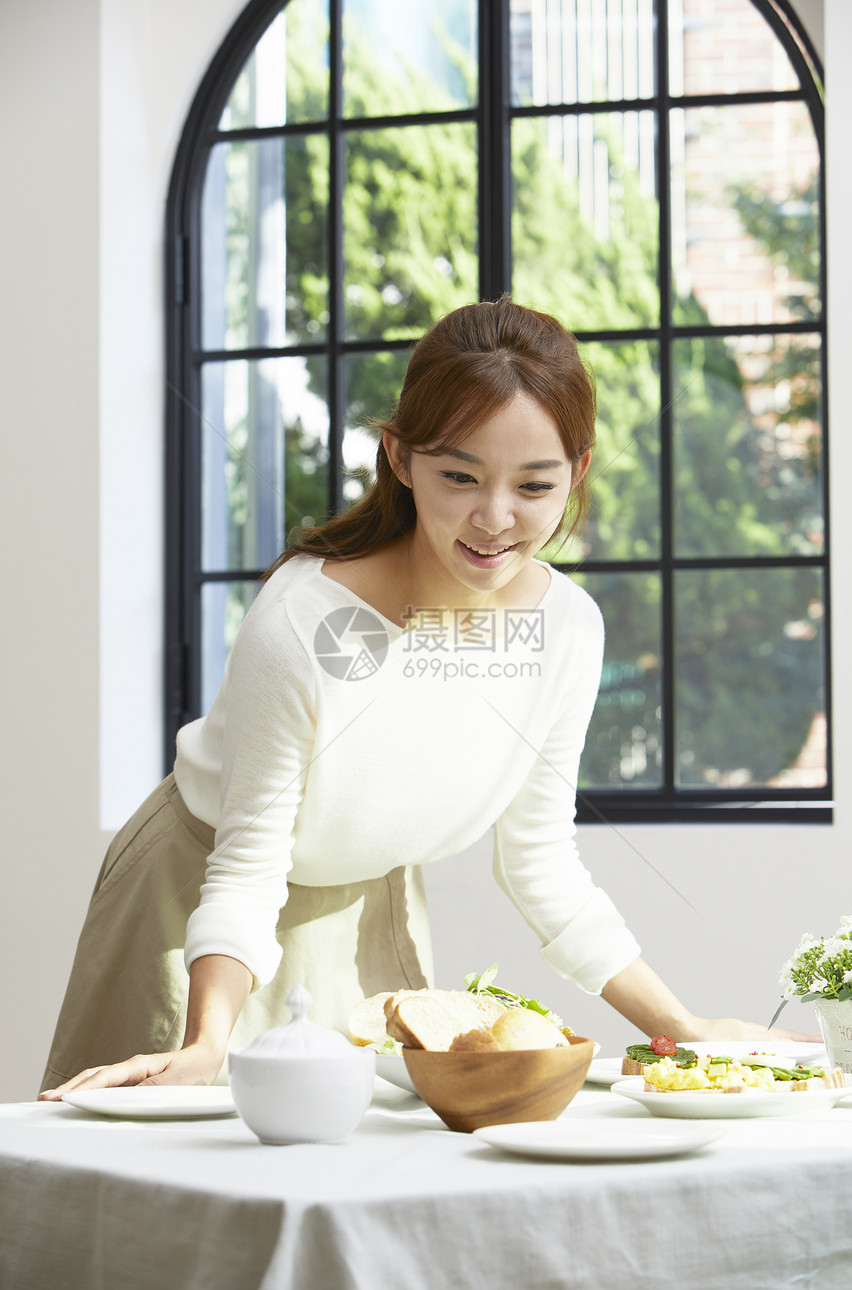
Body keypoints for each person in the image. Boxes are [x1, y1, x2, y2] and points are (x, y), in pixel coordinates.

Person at [41, 296, 810, 1100]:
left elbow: (541, 864)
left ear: (577, 473)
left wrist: (679, 1031)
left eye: (534, 485)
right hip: (196, 902)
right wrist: (204, 1046)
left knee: (363, 1182)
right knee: (164, 1178)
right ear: (400, 458)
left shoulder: (568, 630)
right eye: (459, 476)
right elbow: (248, 865)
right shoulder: (303, 623)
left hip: (371, 901)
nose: (495, 518)